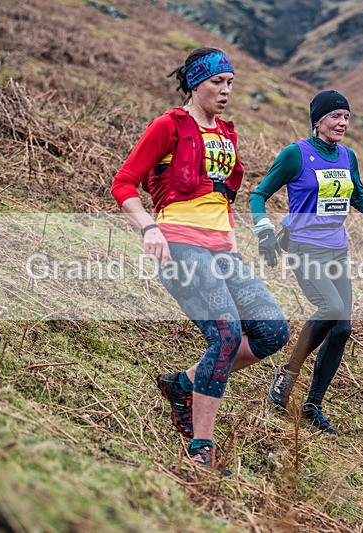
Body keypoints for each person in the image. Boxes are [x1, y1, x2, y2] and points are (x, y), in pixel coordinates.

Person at [111, 48, 289, 469]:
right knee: (226, 335)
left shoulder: (227, 133)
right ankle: (201, 450)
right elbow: (124, 183)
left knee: (272, 332)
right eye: (217, 82)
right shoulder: (168, 126)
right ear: (195, 82)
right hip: (180, 246)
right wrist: (148, 227)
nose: (226, 91)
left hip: (222, 250)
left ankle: (184, 384)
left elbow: (218, 197)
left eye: (230, 83)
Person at [249, 89, 363, 434]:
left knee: (342, 328)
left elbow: (360, 198)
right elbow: (259, 194)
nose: (343, 122)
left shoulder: (347, 156)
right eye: (336, 116)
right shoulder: (296, 154)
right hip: (304, 247)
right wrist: (264, 231)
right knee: (332, 307)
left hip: (336, 249)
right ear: (319, 121)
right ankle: (288, 374)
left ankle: (312, 406)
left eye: (347, 117)